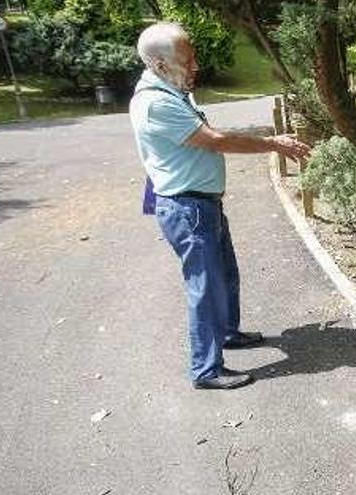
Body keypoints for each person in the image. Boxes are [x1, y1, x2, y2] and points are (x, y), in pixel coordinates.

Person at [129, 23, 309, 390]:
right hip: (187, 208)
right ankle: (205, 369)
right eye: (187, 58)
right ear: (160, 64)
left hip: (200, 205)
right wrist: (274, 143)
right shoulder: (156, 102)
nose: (196, 65)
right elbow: (214, 140)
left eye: (193, 55)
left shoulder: (171, 90)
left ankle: (227, 332)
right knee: (205, 288)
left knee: (224, 275)